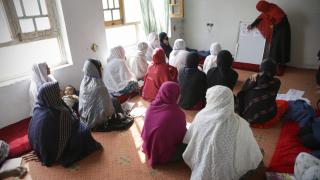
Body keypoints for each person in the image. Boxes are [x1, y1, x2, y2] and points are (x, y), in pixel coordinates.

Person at [183, 86, 264, 180]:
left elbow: (191, 140)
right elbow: (248, 148)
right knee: (259, 153)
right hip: (230, 172)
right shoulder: (240, 124)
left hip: (203, 166)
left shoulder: (201, 117)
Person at [28, 82, 102, 167]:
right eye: (58, 90)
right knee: (85, 130)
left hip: (38, 146)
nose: (61, 91)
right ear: (52, 94)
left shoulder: (38, 108)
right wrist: (59, 154)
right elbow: (65, 134)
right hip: (52, 150)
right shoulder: (60, 112)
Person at [141, 82, 187, 168]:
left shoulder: (152, 106)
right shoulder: (177, 114)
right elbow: (182, 136)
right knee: (191, 145)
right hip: (163, 154)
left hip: (149, 146)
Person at [79, 59, 133, 132]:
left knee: (112, 99)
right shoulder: (99, 86)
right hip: (95, 123)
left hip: (84, 119)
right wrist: (114, 113)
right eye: (100, 68)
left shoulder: (83, 83)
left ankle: (122, 113)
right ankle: (123, 115)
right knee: (115, 101)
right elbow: (109, 111)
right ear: (95, 70)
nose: (102, 70)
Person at [236, 59, 281, 124]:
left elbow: (241, 96)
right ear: (274, 70)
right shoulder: (276, 82)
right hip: (267, 115)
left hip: (248, 116)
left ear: (261, 68)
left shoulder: (250, 80)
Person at [248, 0, 291, 66]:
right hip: (276, 29)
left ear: (264, 7)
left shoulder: (274, 9)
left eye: (261, 10)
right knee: (274, 46)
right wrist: (252, 25)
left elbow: (282, 19)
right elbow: (260, 18)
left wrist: (273, 25)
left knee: (280, 46)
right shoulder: (267, 9)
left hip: (283, 30)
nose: (262, 12)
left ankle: (279, 64)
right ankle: (274, 63)